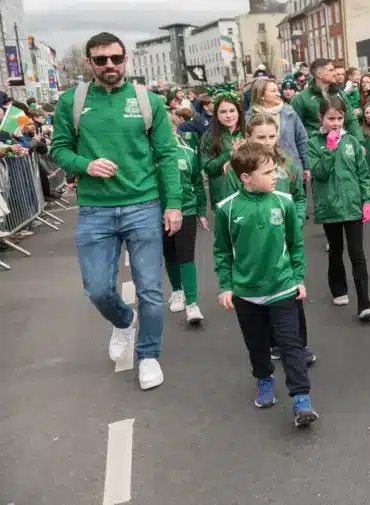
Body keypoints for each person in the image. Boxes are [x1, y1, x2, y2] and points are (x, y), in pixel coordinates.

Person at [49, 31, 182, 390]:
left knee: (151, 289)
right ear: (89, 63)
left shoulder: (146, 100)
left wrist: (174, 204)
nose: (110, 65)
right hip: (95, 210)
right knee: (96, 289)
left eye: (116, 58)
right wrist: (85, 164)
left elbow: (167, 156)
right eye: (101, 59)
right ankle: (124, 321)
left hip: (143, 205)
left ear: (125, 59)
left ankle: (149, 355)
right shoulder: (71, 102)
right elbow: (58, 148)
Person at [213, 141, 318, 427]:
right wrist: (226, 285)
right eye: (268, 172)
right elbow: (222, 250)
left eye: (275, 171)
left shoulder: (283, 202)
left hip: (282, 288)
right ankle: (264, 379)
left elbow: (295, 245)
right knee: (257, 345)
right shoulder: (227, 209)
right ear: (246, 177)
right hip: (247, 295)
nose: (275, 176)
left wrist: (298, 278)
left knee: (291, 344)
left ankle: (301, 398)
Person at [243, 114, 315, 366]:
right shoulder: (241, 168)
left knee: (292, 287)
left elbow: (299, 196)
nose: (267, 141)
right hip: (258, 237)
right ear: (249, 137)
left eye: (271, 136)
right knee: (265, 287)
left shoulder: (286, 165)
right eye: (260, 137)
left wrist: (295, 219)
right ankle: (273, 341)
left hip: (285, 231)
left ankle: (298, 343)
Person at [309, 96, 370, 318]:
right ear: (321, 118)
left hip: (352, 204)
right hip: (329, 206)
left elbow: (363, 173)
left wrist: (367, 200)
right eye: (331, 118)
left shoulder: (352, 143)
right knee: (335, 250)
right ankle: (338, 288)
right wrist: (328, 149)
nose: (336, 123)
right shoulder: (313, 144)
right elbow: (318, 173)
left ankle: (364, 302)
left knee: (358, 253)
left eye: (339, 118)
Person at [165, 107, 207, 324]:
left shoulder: (188, 153)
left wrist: (201, 211)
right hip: (159, 212)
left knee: (186, 255)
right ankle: (177, 290)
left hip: (186, 209)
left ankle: (192, 303)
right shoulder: (145, 155)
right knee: (170, 253)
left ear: (174, 128)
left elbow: (197, 184)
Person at [247, 78, 309, 183]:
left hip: (291, 168)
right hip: (262, 171)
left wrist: (306, 166)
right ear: (261, 95)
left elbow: (302, 140)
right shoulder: (250, 117)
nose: (278, 94)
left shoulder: (289, 113)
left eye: (277, 90)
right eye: (273, 91)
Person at [201, 95, 246, 208]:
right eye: (223, 112)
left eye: (232, 110)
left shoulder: (248, 133)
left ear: (239, 112)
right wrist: (230, 154)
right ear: (216, 115)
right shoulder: (209, 136)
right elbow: (208, 168)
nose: (228, 115)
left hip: (249, 194)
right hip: (222, 196)